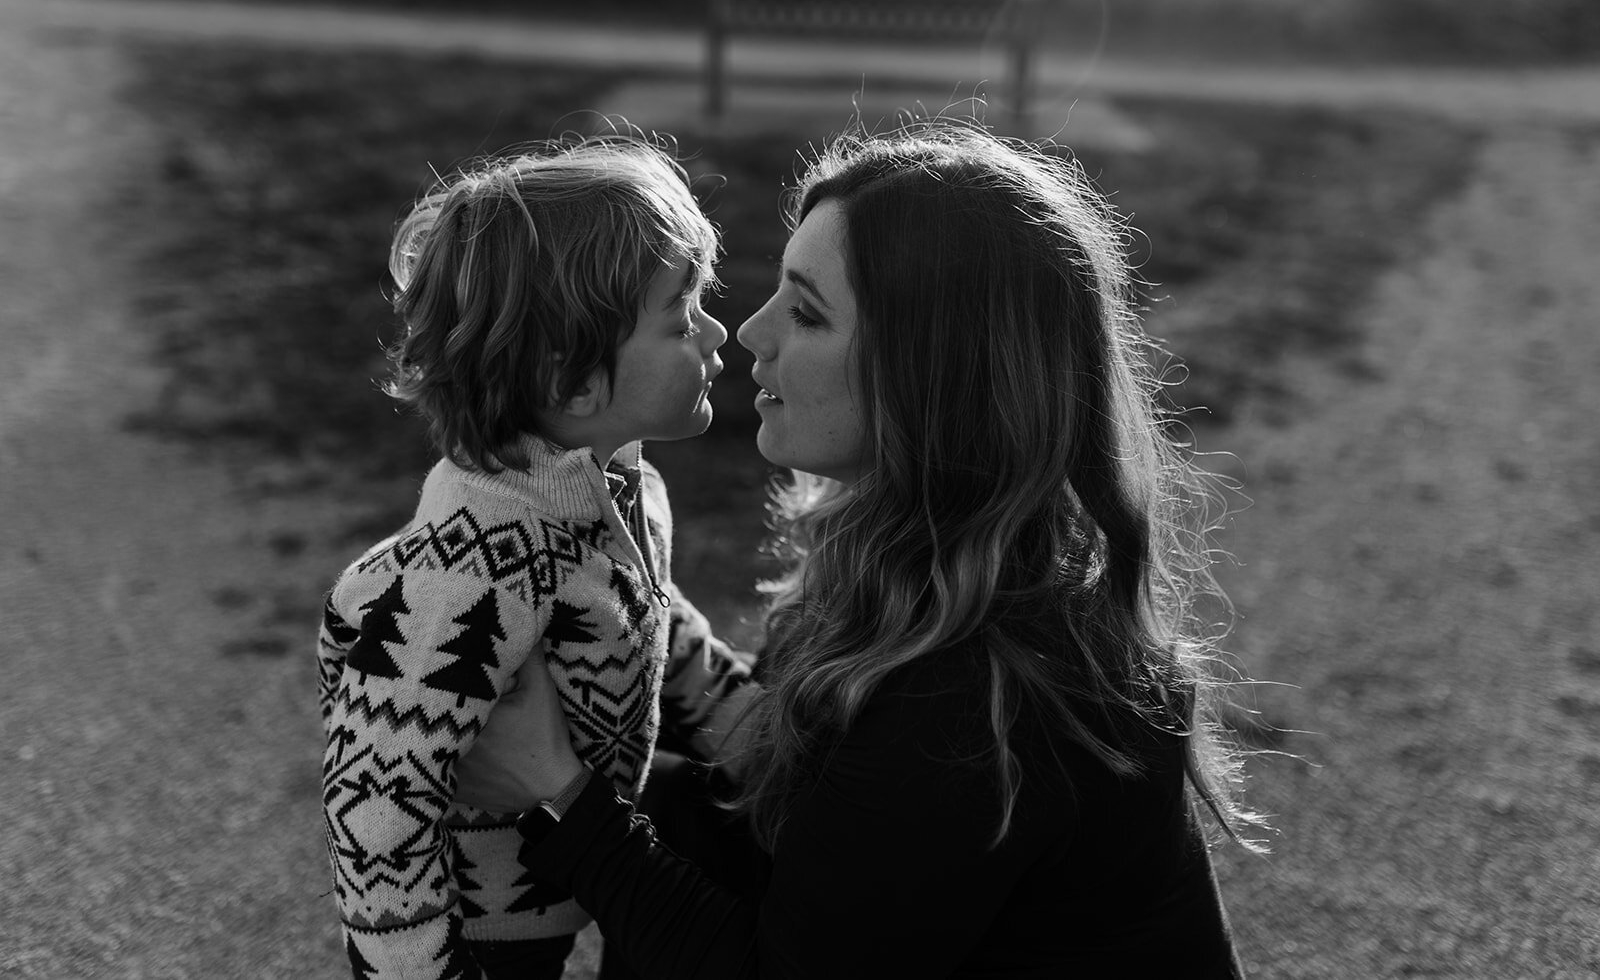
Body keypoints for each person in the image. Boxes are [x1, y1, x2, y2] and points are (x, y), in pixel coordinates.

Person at [454, 120, 1264, 978]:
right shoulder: (900, 558)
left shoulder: (978, 690)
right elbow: (785, 813)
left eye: (806, 311)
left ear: (932, 376)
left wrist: (560, 793)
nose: (751, 333)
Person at [316, 136, 755, 980]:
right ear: (573, 381)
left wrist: (763, 737)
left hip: (569, 879)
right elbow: (375, 804)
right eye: (682, 314)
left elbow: (654, 622)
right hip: (483, 938)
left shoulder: (619, 483)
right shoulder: (460, 581)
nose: (716, 330)